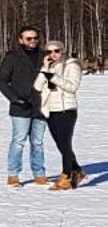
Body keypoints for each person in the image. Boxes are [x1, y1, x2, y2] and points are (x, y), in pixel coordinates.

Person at [0, 26, 49, 186]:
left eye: (35, 38)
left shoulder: (45, 56)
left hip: (41, 106)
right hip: (20, 107)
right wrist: (15, 99)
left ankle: (39, 174)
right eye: (29, 38)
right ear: (21, 40)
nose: (33, 41)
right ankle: (13, 175)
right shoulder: (12, 57)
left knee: (38, 142)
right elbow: (1, 81)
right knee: (18, 141)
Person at [36, 40, 83, 189]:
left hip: (66, 110)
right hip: (51, 110)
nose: (53, 54)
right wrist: (45, 68)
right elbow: (37, 87)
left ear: (63, 51)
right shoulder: (50, 66)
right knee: (61, 145)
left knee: (65, 144)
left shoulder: (72, 65)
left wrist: (53, 77)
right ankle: (77, 171)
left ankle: (66, 177)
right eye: (49, 52)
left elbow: (72, 87)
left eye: (56, 51)